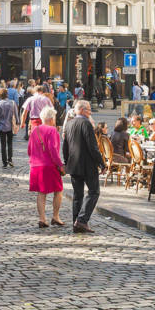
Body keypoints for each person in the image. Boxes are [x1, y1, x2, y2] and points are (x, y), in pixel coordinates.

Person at [63, 100, 106, 233]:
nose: (90, 112)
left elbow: (65, 146)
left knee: (78, 195)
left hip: (74, 164)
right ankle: (81, 220)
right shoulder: (86, 123)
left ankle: (76, 222)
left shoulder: (69, 123)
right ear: (81, 110)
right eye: (88, 110)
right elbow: (93, 147)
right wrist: (101, 163)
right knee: (94, 192)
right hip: (87, 165)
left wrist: (67, 161)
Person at [28, 106, 66, 228]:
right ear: (51, 118)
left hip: (35, 165)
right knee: (58, 190)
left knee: (41, 193)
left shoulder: (34, 130)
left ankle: (42, 218)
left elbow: (29, 150)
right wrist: (60, 164)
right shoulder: (52, 130)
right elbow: (53, 150)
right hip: (49, 165)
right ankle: (55, 216)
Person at [0, 88, 19, 168]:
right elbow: (16, 114)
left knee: (3, 145)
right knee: (10, 143)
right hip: (10, 126)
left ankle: (4, 162)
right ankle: (10, 159)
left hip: (2, 126)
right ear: (7, 94)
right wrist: (18, 122)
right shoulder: (12, 103)